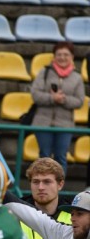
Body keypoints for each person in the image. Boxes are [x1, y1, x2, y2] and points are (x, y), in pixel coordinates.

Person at [30, 40, 85, 176]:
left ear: (72, 57)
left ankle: (58, 191)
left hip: (65, 125)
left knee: (61, 158)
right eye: (59, 54)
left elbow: (79, 101)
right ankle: (41, 188)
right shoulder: (44, 72)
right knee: (44, 157)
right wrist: (52, 98)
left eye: (66, 54)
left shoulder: (77, 78)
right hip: (42, 123)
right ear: (54, 56)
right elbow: (35, 94)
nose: (62, 57)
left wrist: (63, 99)